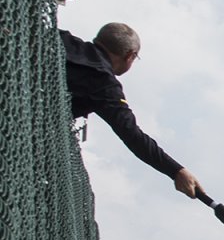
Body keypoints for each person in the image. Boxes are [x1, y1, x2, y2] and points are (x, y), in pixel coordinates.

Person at [59, 22, 205, 200]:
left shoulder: (62, 39)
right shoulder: (105, 85)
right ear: (130, 56)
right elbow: (133, 135)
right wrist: (176, 171)